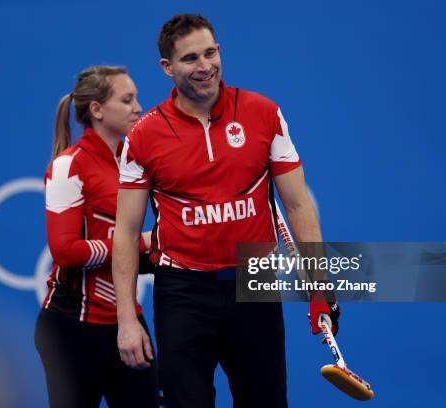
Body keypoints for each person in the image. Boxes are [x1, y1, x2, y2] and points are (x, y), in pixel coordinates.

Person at [112, 14, 340, 408]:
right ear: (167, 68)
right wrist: (127, 320)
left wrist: (319, 286)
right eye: (190, 59)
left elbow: (298, 204)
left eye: (210, 53)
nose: (205, 67)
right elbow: (126, 231)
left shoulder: (263, 113)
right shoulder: (143, 135)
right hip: (182, 292)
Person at [34, 66, 159, 408]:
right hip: (71, 327)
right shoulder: (68, 165)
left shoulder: (135, 164)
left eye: (137, 98)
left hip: (126, 319)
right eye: (127, 99)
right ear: (97, 110)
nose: (139, 107)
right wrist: (142, 243)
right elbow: (65, 252)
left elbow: (135, 252)